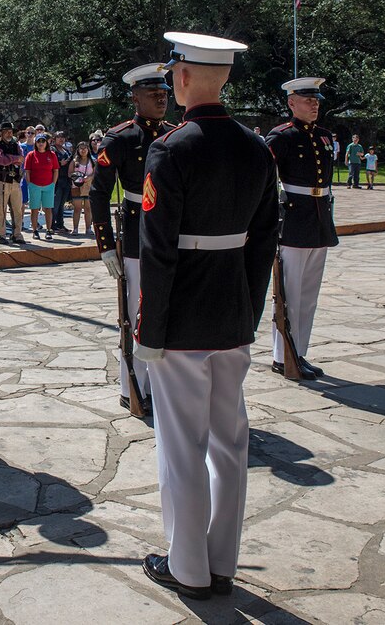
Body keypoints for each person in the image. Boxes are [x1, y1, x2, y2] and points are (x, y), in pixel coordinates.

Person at [135, 32, 278, 600]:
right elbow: (264, 241)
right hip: (231, 316)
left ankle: (187, 566)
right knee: (229, 444)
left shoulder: (172, 148)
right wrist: (247, 310)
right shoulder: (255, 148)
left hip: (183, 321)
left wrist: (150, 330)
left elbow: (159, 250)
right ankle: (221, 562)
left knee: (180, 448)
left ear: (184, 75)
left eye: (173, 72)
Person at [90, 63, 175, 416]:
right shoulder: (121, 138)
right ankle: (133, 386)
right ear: (134, 98)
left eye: (164, 93)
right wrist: (107, 245)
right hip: (138, 229)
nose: (160, 99)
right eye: (153, 94)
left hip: (172, 229)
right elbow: (98, 193)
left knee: (168, 309)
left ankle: (161, 384)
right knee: (137, 312)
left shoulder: (175, 133)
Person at [265, 78, 339, 380]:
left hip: (319, 219)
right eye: (308, 100)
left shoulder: (322, 136)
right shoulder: (281, 136)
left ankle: (300, 352)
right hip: (294, 219)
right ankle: (283, 354)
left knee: (308, 294)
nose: (314, 104)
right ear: (291, 103)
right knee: (289, 294)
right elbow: (265, 179)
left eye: (316, 100)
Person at [0, 122, 25, 244]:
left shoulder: (17, 145)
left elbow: (22, 159)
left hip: (15, 180)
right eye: (6, 131)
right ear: (1, 133)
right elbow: (0, 160)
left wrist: (9, 158)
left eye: (10, 131)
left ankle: (17, 234)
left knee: (17, 209)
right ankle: (1, 235)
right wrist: (13, 159)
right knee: (0, 208)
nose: (9, 133)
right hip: (1, 180)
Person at [24, 132, 59, 240]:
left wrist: (53, 183)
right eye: (38, 141)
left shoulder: (51, 154)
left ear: (46, 143)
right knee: (34, 209)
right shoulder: (31, 155)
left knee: (48, 209)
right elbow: (27, 171)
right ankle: (35, 230)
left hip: (49, 185)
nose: (41, 143)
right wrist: (30, 184)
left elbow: (56, 170)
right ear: (36, 143)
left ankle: (48, 230)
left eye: (43, 141)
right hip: (34, 185)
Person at [69, 140, 94, 236]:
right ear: (78, 150)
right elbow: (69, 173)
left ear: (88, 149)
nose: (83, 150)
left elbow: (95, 172)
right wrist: (77, 177)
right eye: (81, 148)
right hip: (76, 187)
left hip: (88, 186)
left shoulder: (92, 160)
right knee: (77, 208)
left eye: (85, 148)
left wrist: (89, 178)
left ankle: (88, 228)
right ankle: (75, 229)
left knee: (88, 208)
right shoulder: (74, 161)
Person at [51, 131, 73, 234]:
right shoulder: (52, 149)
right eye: (59, 137)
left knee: (62, 204)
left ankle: (60, 224)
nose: (61, 139)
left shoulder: (66, 150)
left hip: (66, 179)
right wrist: (60, 163)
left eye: (63, 137)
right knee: (55, 203)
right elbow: (50, 163)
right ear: (54, 138)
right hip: (57, 180)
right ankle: (52, 225)